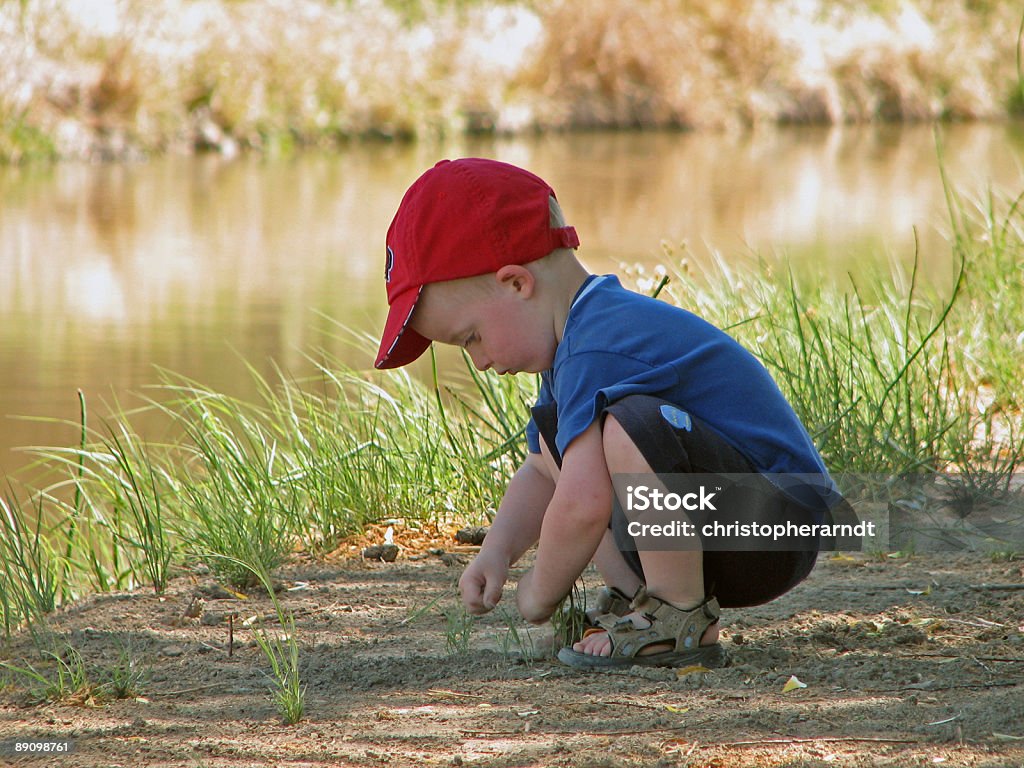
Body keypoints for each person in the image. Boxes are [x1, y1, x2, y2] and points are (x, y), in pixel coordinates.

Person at [375, 157, 840, 669]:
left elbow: (582, 505)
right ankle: (636, 601)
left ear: (515, 283)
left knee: (626, 426)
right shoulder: (571, 352)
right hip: (724, 523)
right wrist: (498, 552)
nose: (479, 361)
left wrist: (539, 593)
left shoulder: (600, 343)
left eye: (472, 338)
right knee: (562, 441)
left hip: (778, 524)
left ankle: (677, 613)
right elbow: (541, 472)